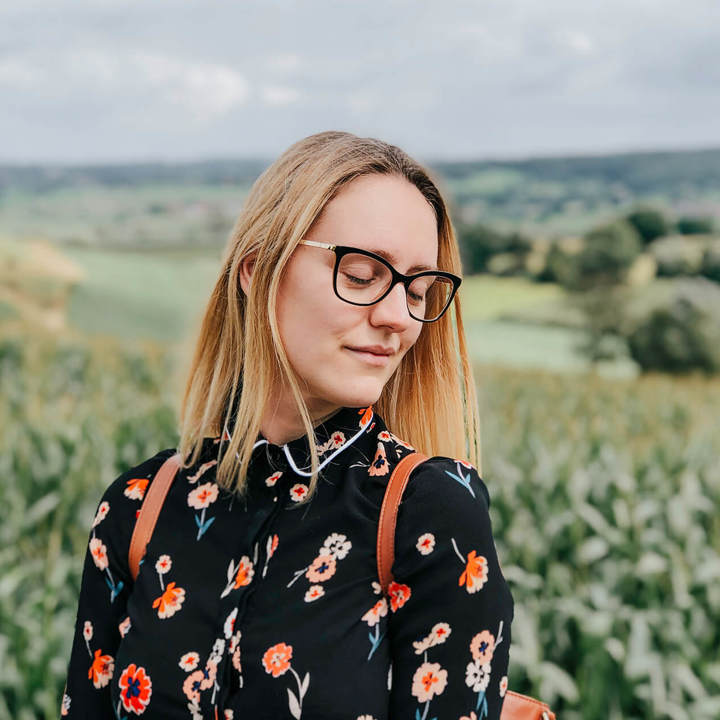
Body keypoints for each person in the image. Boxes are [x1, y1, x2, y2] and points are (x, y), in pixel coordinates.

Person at [61, 131, 514, 719]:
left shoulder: (427, 511)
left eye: (419, 289)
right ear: (257, 270)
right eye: (360, 274)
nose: (397, 317)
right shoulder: (138, 507)